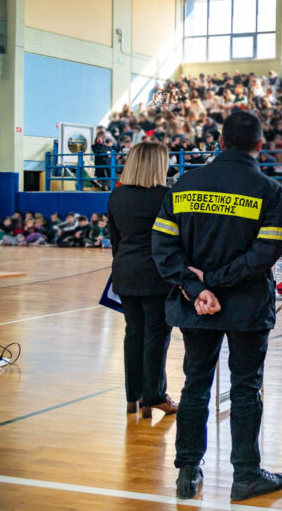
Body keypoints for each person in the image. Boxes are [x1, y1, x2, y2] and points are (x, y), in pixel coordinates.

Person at [152, 110, 282, 502]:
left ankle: (186, 474)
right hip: (246, 306)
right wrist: (217, 282)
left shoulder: (184, 184)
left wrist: (198, 285)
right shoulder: (268, 190)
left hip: (194, 305)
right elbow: (266, 253)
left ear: (219, 142)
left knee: (195, 386)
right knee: (246, 388)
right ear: (260, 146)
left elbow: (163, 247)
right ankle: (246, 476)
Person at [107, 140, 178, 419]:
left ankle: (132, 396)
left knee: (133, 332)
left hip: (124, 269)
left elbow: (115, 239)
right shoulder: (166, 195)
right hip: (157, 273)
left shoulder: (117, 196)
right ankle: (155, 396)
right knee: (156, 335)